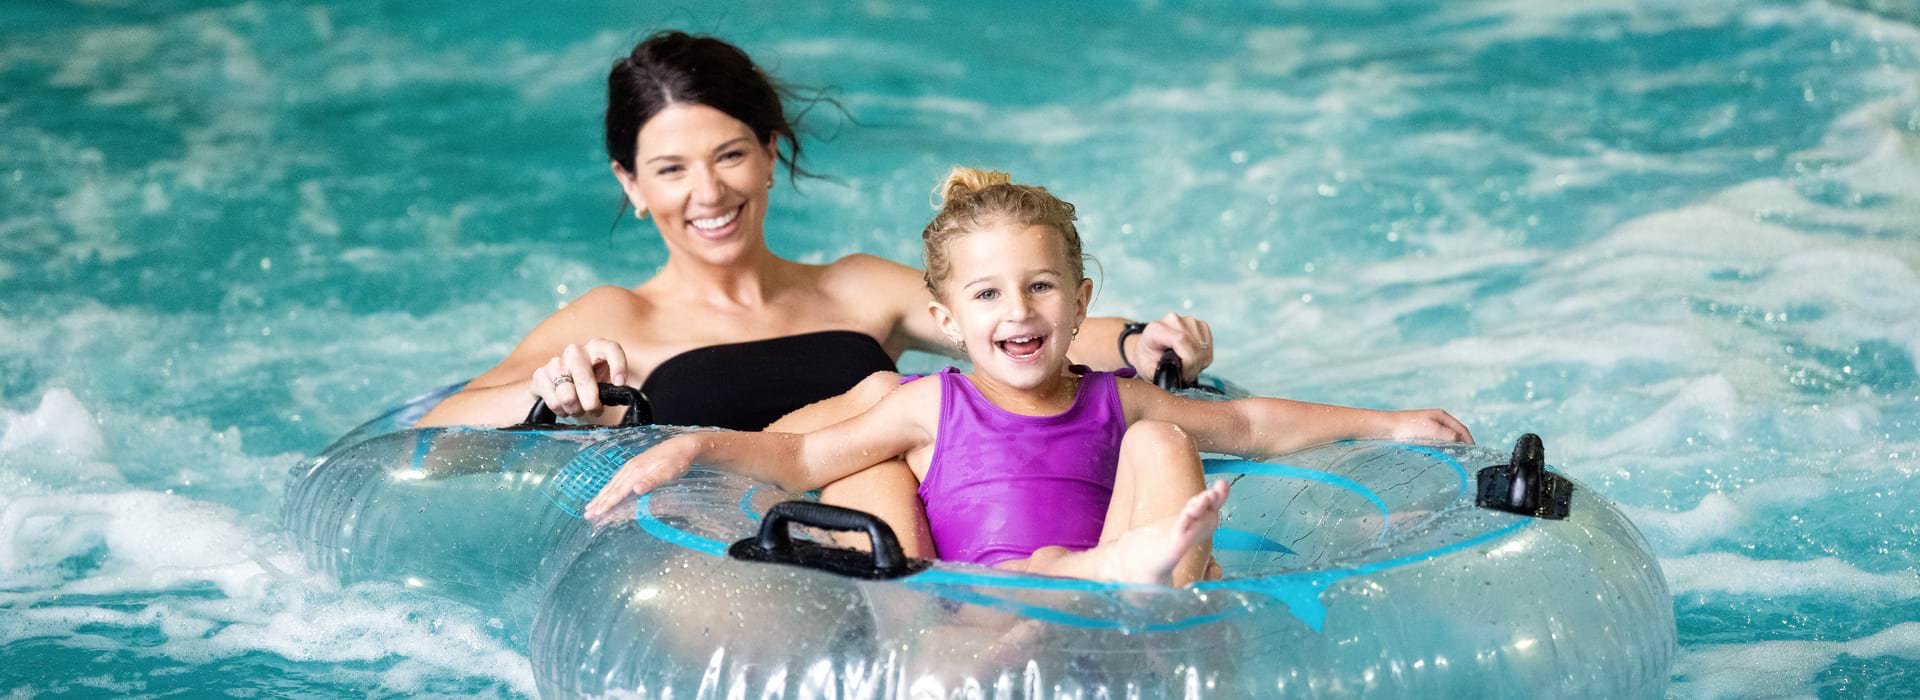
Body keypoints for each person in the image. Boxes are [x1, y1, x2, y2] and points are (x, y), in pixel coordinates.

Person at [413, 31, 1216, 555]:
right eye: (669, 170)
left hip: (941, 539)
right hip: (753, 548)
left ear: (770, 153)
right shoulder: (615, 319)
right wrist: (552, 395)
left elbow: (1018, 331)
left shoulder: (857, 285)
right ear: (630, 184)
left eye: (729, 155)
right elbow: (434, 438)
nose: (707, 193)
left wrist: (1138, 341)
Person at [583, 167, 1473, 586]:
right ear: (948, 321)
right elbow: (804, 458)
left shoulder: (1112, 399)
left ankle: (1150, 573)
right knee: (1056, 559)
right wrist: (690, 447)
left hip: (1132, 596)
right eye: (989, 294)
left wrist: (1387, 421)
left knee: (1168, 436)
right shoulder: (930, 405)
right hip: (995, 604)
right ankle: (1123, 569)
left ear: (1081, 305)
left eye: (1041, 287)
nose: (1019, 312)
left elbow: (1245, 428)